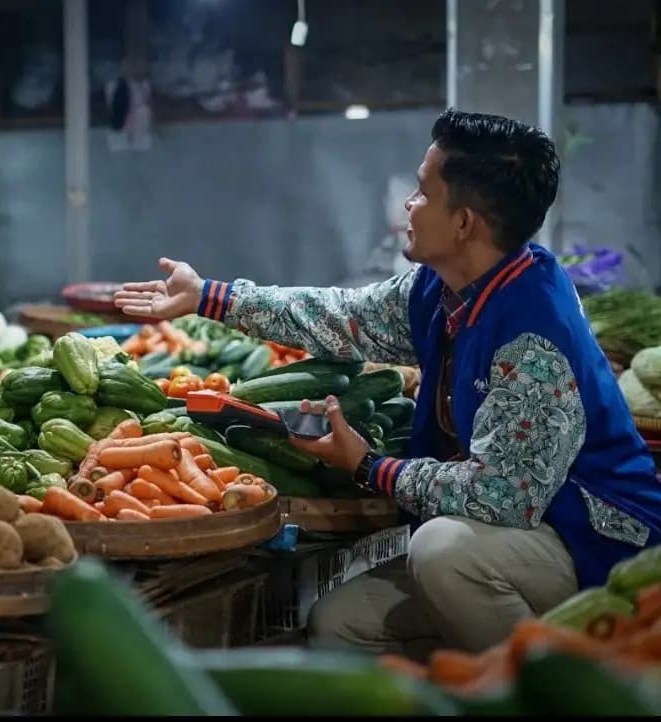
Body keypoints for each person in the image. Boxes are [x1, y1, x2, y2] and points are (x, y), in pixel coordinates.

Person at [114, 108, 661, 661]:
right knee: (340, 625)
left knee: (443, 553)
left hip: (592, 540)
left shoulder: (532, 334)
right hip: (512, 535)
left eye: (422, 192)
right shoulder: (442, 288)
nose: (409, 206)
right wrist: (209, 296)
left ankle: (548, 693)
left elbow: (503, 499)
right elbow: (341, 317)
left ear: (464, 222)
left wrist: (369, 465)